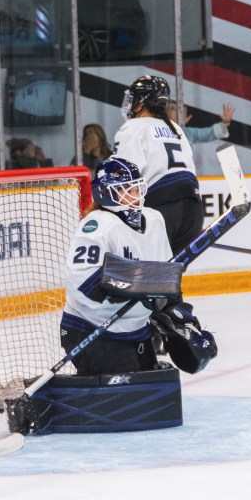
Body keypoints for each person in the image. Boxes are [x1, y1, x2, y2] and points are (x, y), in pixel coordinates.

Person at [61, 157, 170, 375]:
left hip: (136, 329)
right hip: (92, 328)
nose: (136, 196)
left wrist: (175, 314)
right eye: (126, 190)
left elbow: (165, 275)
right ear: (104, 193)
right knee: (127, 397)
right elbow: (81, 283)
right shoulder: (97, 226)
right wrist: (128, 287)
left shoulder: (155, 220)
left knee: (149, 391)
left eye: (137, 188)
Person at [112, 75, 202, 253]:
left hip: (160, 211)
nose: (130, 103)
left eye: (133, 98)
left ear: (142, 102)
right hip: (194, 211)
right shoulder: (176, 129)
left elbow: (123, 179)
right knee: (170, 276)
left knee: (146, 275)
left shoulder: (132, 128)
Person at [169, 101, 234, 145]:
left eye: (182, 109)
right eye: (173, 109)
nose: (178, 112)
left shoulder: (188, 132)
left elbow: (210, 133)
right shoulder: (159, 129)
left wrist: (225, 123)